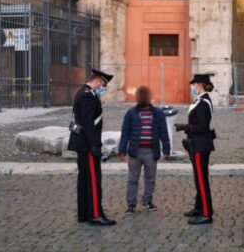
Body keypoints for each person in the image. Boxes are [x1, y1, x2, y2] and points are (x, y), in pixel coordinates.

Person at [68, 69, 116, 226]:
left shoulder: (83, 92)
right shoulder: (88, 96)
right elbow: (89, 124)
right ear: (97, 81)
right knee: (93, 180)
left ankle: (84, 213)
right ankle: (95, 214)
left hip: (82, 143)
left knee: (84, 180)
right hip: (87, 145)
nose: (102, 88)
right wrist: (95, 145)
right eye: (102, 84)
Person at [118, 86, 170, 214]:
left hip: (152, 152)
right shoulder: (130, 113)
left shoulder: (158, 113)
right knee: (132, 179)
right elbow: (125, 133)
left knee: (150, 179)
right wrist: (122, 151)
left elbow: (164, 133)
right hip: (135, 152)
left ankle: (147, 201)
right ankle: (131, 204)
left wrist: (166, 149)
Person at [176, 74, 215, 225]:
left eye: (194, 85)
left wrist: (184, 127)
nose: (192, 87)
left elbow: (203, 127)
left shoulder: (204, 103)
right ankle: (199, 208)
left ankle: (206, 213)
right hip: (197, 143)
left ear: (199, 85)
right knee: (198, 179)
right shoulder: (201, 101)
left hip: (201, 145)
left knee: (201, 180)